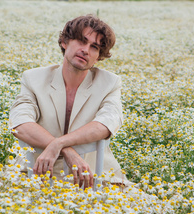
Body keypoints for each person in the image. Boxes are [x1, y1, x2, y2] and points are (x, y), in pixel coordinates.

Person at [9, 15, 131, 188]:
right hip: (36, 171)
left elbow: (107, 123)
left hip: (92, 174)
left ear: (98, 57)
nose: (86, 50)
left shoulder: (110, 82)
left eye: (94, 47)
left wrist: (59, 143)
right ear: (64, 42)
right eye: (82, 41)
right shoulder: (33, 78)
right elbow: (19, 122)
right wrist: (67, 151)